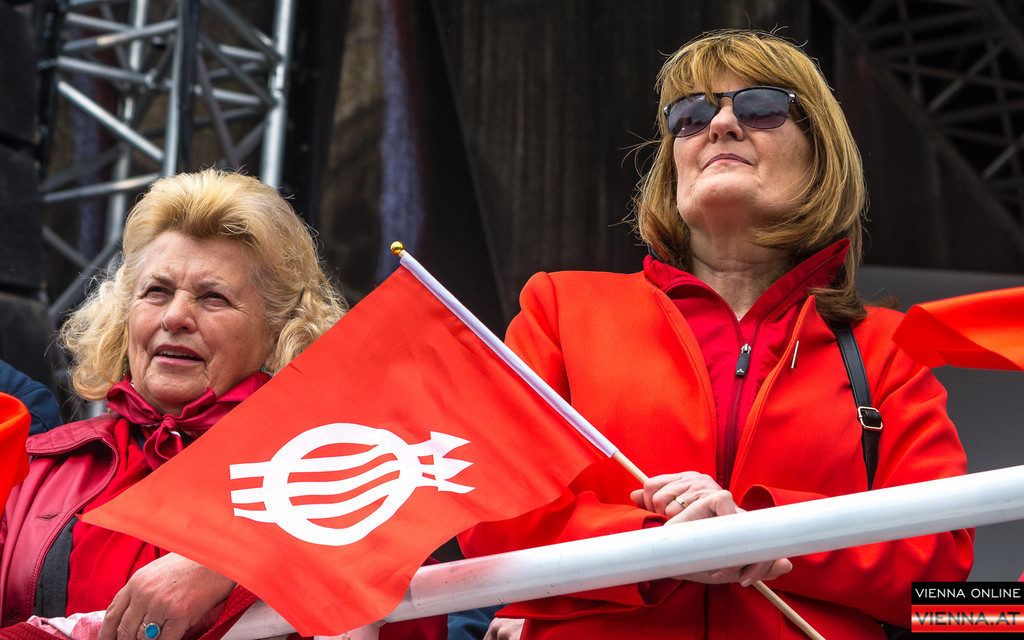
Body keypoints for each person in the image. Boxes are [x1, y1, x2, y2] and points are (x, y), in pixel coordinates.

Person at [459, 29, 973, 639]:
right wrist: (659, 545)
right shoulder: (560, 309)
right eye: (691, 115)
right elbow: (489, 514)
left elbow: (940, 561)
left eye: (761, 107)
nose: (721, 125)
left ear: (820, 155)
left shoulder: (889, 349)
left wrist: (763, 530)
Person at [0, 169, 445, 640]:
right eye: (157, 291)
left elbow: (420, 614)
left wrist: (243, 564)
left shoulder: (340, 476)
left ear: (280, 330)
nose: (175, 316)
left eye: (213, 298)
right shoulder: (34, 467)